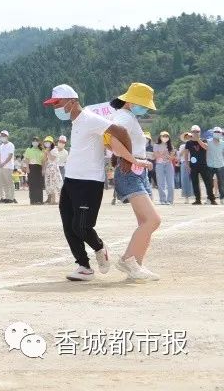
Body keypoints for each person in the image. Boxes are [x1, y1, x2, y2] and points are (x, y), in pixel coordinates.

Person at [43, 84, 133, 282]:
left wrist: (127, 158)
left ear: (72, 101)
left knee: (81, 226)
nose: (56, 108)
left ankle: (100, 248)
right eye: (53, 104)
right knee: (68, 225)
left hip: (89, 182)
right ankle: (83, 266)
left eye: (58, 103)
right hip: (71, 180)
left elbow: (121, 131)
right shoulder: (75, 122)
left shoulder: (90, 118)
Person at [106, 83, 162, 280]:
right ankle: (128, 260)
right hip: (130, 170)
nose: (145, 108)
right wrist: (134, 160)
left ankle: (136, 265)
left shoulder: (128, 117)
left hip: (136, 171)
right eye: (143, 104)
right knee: (153, 220)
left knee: (145, 222)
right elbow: (113, 143)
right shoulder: (123, 117)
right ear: (130, 101)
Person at [184, 125, 216, 205]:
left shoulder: (204, 140)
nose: (195, 133)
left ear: (200, 132)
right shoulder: (188, 143)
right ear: (191, 132)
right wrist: (187, 165)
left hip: (204, 165)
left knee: (208, 182)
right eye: (193, 131)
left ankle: (211, 199)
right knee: (195, 183)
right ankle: (197, 199)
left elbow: (206, 148)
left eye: (197, 131)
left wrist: (198, 139)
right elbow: (186, 154)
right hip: (193, 165)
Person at [153, 132, 175, 205]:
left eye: (166, 136)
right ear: (160, 137)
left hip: (169, 165)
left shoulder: (170, 146)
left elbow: (172, 157)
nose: (165, 137)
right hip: (160, 165)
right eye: (163, 136)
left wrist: (168, 156)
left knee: (170, 183)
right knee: (161, 183)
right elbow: (156, 155)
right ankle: (162, 199)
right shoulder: (156, 145)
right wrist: (163, 153)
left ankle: (170, 200)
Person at [0, 131, 17, 203]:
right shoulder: (1, 146)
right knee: (4, 183)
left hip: (8, 167)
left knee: (9, 182)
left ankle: (12, 198)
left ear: (7, 136)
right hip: (1, 167)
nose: (3, 137)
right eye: (2, 135)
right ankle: (7, 197)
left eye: (4, 135)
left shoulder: (11, 145)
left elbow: (10, 156)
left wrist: (3, 163)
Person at [43, 136, 62, 205]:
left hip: (54, 168)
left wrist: (48, 152)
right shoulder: (46, 150)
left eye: (48, 142)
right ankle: (52, 200)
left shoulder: (55, 150)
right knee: (50, 184)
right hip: (48, 168)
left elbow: (52, 159)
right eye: (45, 142)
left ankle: (56, 200)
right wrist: (44, 168)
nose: (47, 143)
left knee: (55, 183)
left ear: (51, 143)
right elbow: (45, 160)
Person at [207, 127, 224, 203]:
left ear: (221, 133)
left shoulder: (223, 143)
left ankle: (222, 198)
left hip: (220, 165)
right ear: (213, 133)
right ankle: (209, 198)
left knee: (221, 183)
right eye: (216, 132)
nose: (217, 133)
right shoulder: (208, 141)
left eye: (218, 132)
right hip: (210, 165)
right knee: (210, 183)